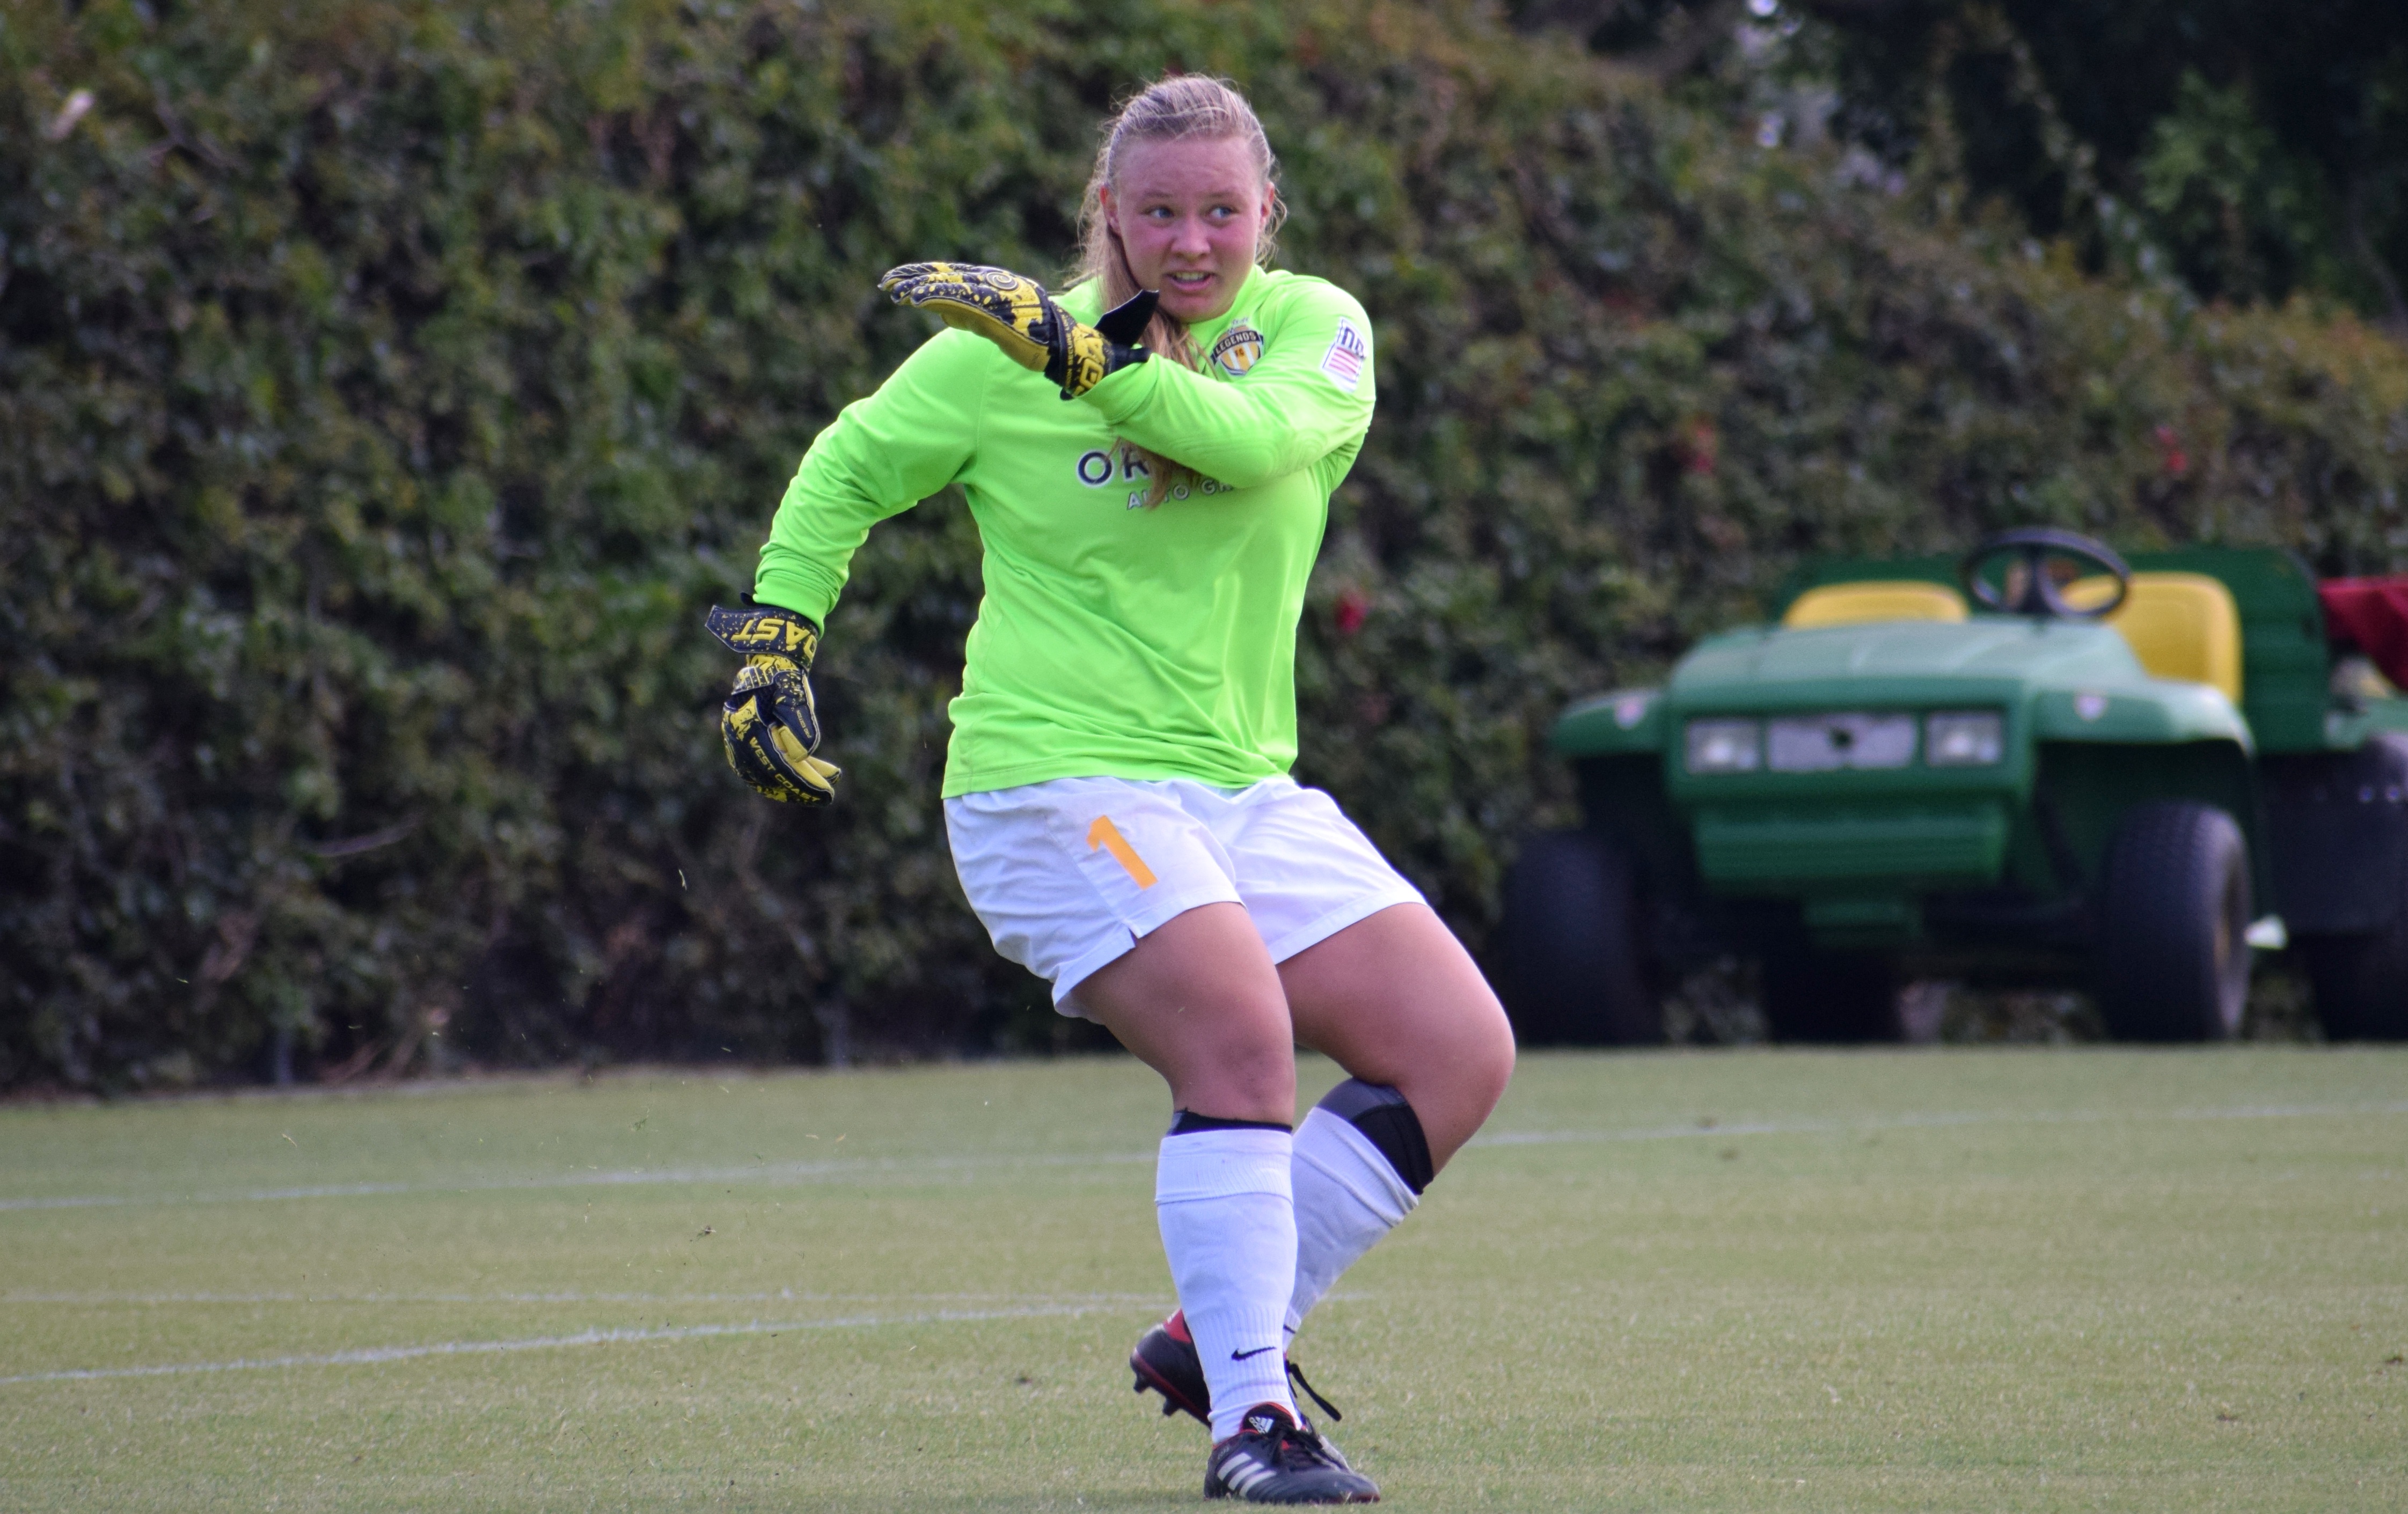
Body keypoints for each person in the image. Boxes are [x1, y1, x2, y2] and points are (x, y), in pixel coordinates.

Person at [706, 74, 1516, 1505]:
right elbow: (847, 467)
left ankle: (1218, 1339)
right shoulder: (996, 359)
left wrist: (1079, 361)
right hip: (1051, 785)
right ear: (1111, 217)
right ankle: (1256, 1430)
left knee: (1454, 1052)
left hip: (1239, 793)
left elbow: (1249, 442)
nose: (1193, 239)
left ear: (1270, 209)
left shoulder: (1317, 327)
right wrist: (778, 636)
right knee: (1241, 1042)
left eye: (1222, 208)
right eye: (1159, 212)